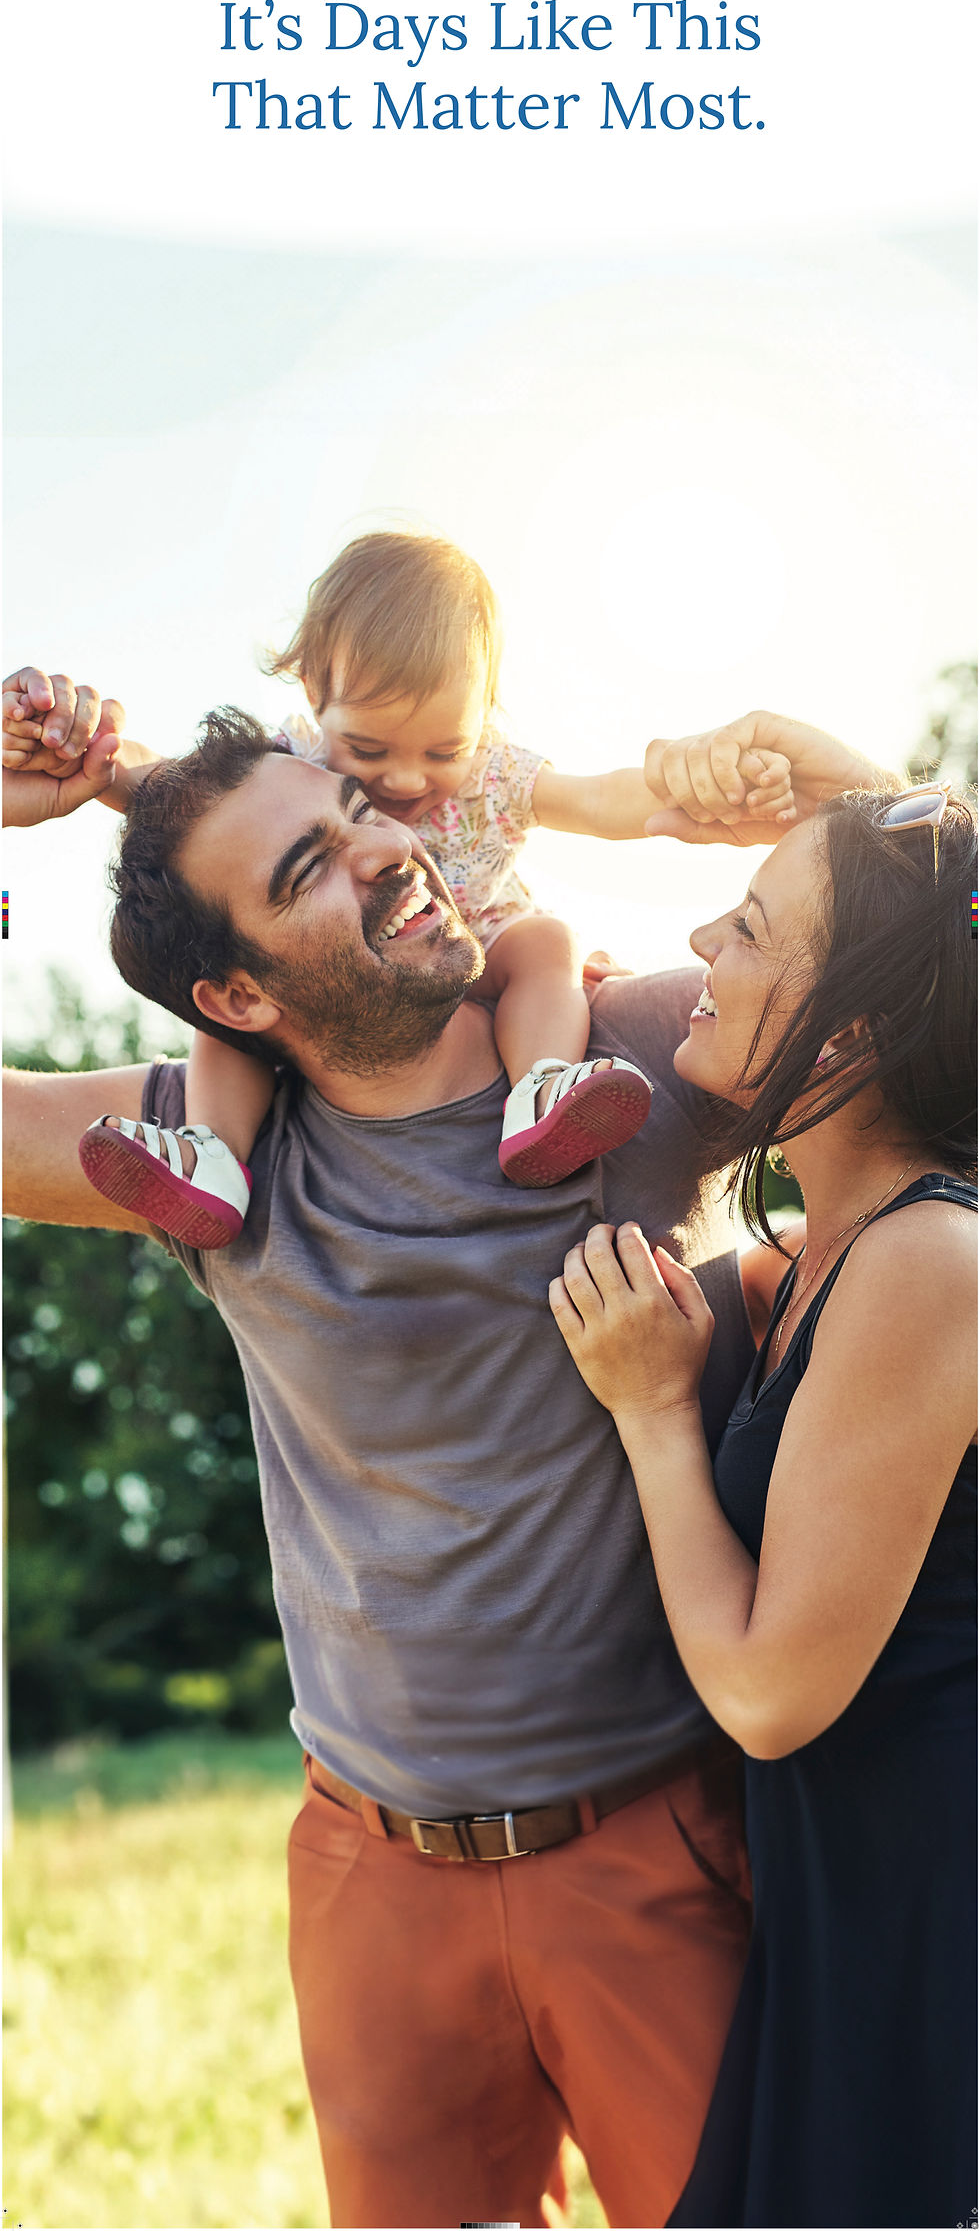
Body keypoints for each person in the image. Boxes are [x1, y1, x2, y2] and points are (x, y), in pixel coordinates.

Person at [2, 689, 880, 2230]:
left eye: (362, 818)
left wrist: (868, 791)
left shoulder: (632, 1061)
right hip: (370, 1882)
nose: (388, 855)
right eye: (309, 872)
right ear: (240, 996)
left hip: (654, 1851)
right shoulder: (203, 1167)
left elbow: (942, 995)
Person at [549, 782, 977, 2229]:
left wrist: (660, 1413)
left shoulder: (929, 1265)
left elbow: (771, 1691)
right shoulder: (821, 1264)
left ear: (849, 1031)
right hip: (849, 1915)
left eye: (745, 927)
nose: (698, 942)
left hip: (930, 1937)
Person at [4, 535, 791, 1236]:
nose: (408, 781)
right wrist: (81, 756)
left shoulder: (648, 1025)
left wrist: (699, 789)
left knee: (548, 942)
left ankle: (544, 1086)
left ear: (485, 714)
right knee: (228, 1024)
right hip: (290, 1035)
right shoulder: (288, 770)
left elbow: (596, 799)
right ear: (315, 693)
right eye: (370, 752)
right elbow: (156, 783)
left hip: (488, 934)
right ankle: (212, 1157)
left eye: (443, 749)